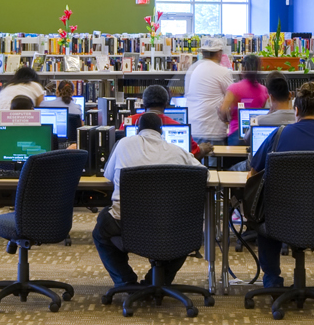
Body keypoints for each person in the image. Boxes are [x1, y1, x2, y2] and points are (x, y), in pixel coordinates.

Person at [248, 81, 314, 293]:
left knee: (265, 215)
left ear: (296, 110)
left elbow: (253, 172)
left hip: (282, 219)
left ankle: (272, 280)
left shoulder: (278, 136)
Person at [92, 110, 204, 290]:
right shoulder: (177, 151)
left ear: (137, 129)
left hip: (125, 222)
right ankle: (157, 281)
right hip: (167, 222)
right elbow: (202, 174)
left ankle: (125, 281)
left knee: (100, 232)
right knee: (188, 234)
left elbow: (108, 176)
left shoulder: (123, 144)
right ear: (161, 131)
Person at [184, 36, 235, 149]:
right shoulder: (222, 71)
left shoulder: (192, 69)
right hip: (212, 130)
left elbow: (187, 95)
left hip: (193, 128)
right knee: (213, 165)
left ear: (202, 52)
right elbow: (232, 97)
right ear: (219, 54)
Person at [221, 52, 269, 141]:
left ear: (243, 68)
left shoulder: (234, 88)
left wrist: (228, 117)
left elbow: (223, 111)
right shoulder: (264, 90)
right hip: (255, 135)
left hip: (236, 133)